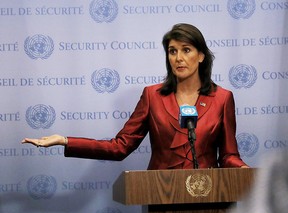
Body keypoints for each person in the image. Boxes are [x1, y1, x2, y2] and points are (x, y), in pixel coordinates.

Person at [22, 23, 249, 169]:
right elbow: (119, 147)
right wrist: (65, 140)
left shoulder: (222, 98)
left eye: (186, 50)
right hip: (161, 192)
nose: (178, 58)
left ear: (200, 56)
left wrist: (245, 171)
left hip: (209, 195)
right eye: (172, 51)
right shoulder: (153, 96)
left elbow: (228, 155)